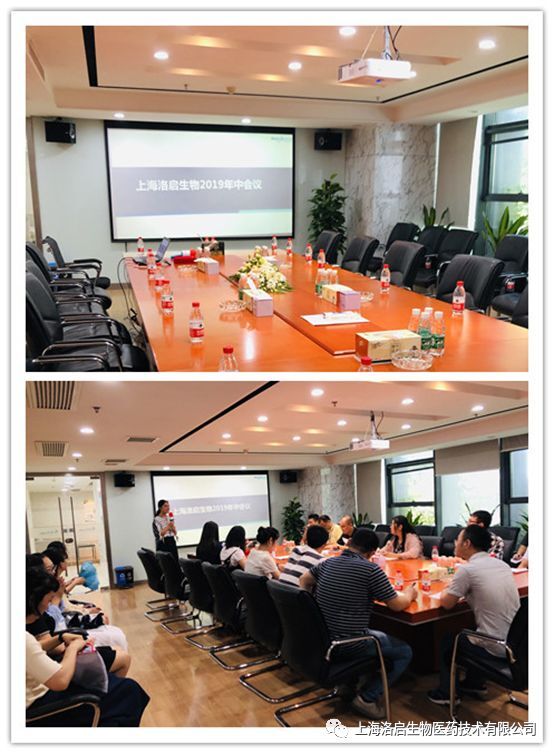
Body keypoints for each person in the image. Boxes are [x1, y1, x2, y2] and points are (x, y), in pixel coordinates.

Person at [299, 528, 416, 720]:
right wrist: (410, 594)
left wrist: (310, 607)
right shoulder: (370, 570)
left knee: (374, 632)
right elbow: (396, 605)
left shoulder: (328, 563)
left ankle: (347, 683)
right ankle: (367, 697)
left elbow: (304, 580)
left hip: (321, 638)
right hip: (349, 644)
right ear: (372, 553)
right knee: (404, 651)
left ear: (350, 543)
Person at [26, 567, 150, 726]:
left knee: (120, 684)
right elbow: (61, 681)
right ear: (34, 598)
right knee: (129, 691)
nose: (48, 605)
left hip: (43, 686)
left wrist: (61, 637)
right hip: (41, 707)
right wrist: (73, 648)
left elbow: (35, 648)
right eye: (48, 600)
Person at [427, 525, 520, 705]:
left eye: (458, 539)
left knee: (448, 639)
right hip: (517, 644)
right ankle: (475, 683)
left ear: (467, 543)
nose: (455, 542)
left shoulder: (468, 570)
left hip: (496, 646)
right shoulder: (502, 565)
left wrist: (448, 586)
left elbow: (447, 603)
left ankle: (447, 693)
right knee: (474, 629)